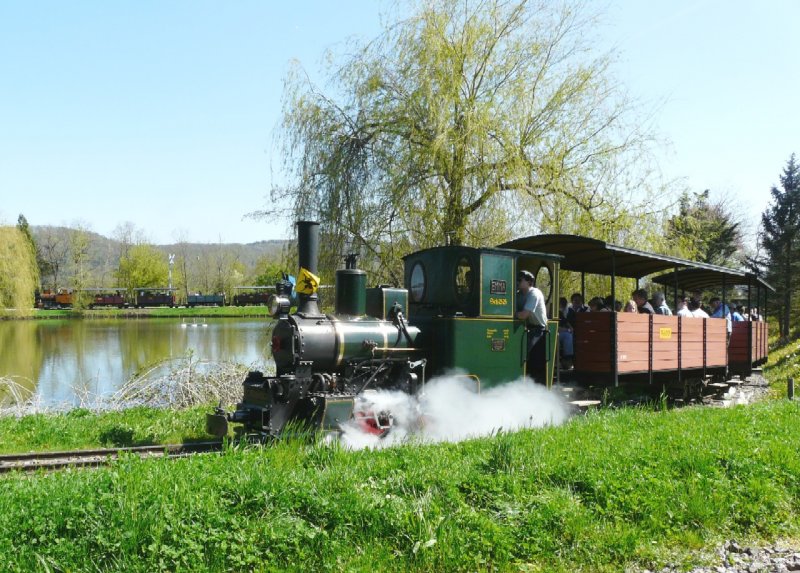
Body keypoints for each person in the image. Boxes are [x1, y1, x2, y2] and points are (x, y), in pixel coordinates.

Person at [516, 270, 548, 373]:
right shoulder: (518, 294)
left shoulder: (534, 294)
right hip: (526, 328)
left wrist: (513, 314)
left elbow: (524, 315)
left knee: (529, 355)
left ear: (529, 282)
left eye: (520, 280)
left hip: (539, 330)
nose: (517, 282)